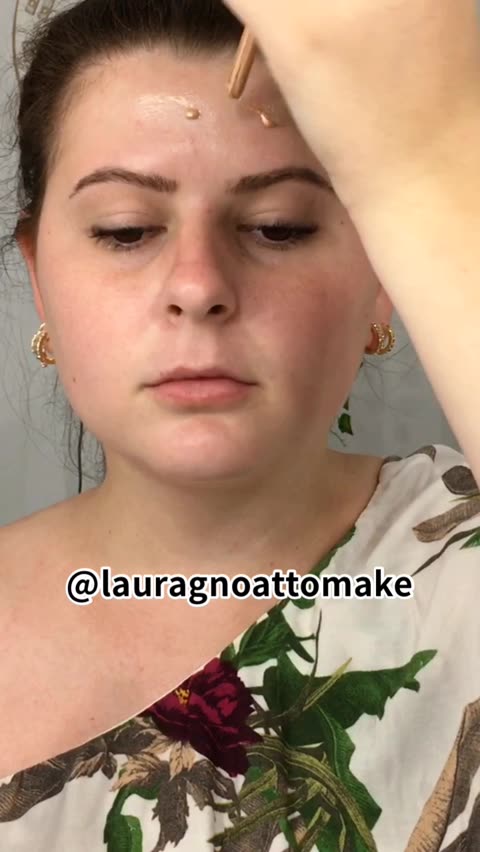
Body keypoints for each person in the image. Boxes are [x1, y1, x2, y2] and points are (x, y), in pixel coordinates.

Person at [0, 0, 479, 849]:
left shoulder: (458, 564)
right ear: (39, 280)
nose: (198, 284)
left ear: (382, 270)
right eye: (125, 231)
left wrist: (424, 152)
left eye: (276, 227)